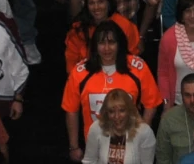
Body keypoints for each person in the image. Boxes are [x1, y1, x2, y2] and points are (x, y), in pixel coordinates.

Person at [63, 24, 163, 154]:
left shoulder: (138, 68)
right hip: (95, 148)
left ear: (119, 44)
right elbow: (71, 109)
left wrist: (141, 137)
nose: (106, 48)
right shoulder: (80, 72)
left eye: (111, 42)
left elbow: (151, 104)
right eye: (101, 43)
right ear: (95, 46)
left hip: (130, 147)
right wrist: (74, 146)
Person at [80, 86, 157, 164]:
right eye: (111, 111)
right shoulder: (96, 128)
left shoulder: (144, 132)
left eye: (121, 110)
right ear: (106, 113)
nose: (117, 116)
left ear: (129, 111)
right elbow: (89, 162)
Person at [63, 0, 141, 74]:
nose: (96, 7)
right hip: (87, 80)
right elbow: (71, 67)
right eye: (91, 3)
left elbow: (133, 61)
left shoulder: (124, 25)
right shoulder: (78, 31)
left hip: (121, 78)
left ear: (108, 3)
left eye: (100, 2)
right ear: (86, 6)